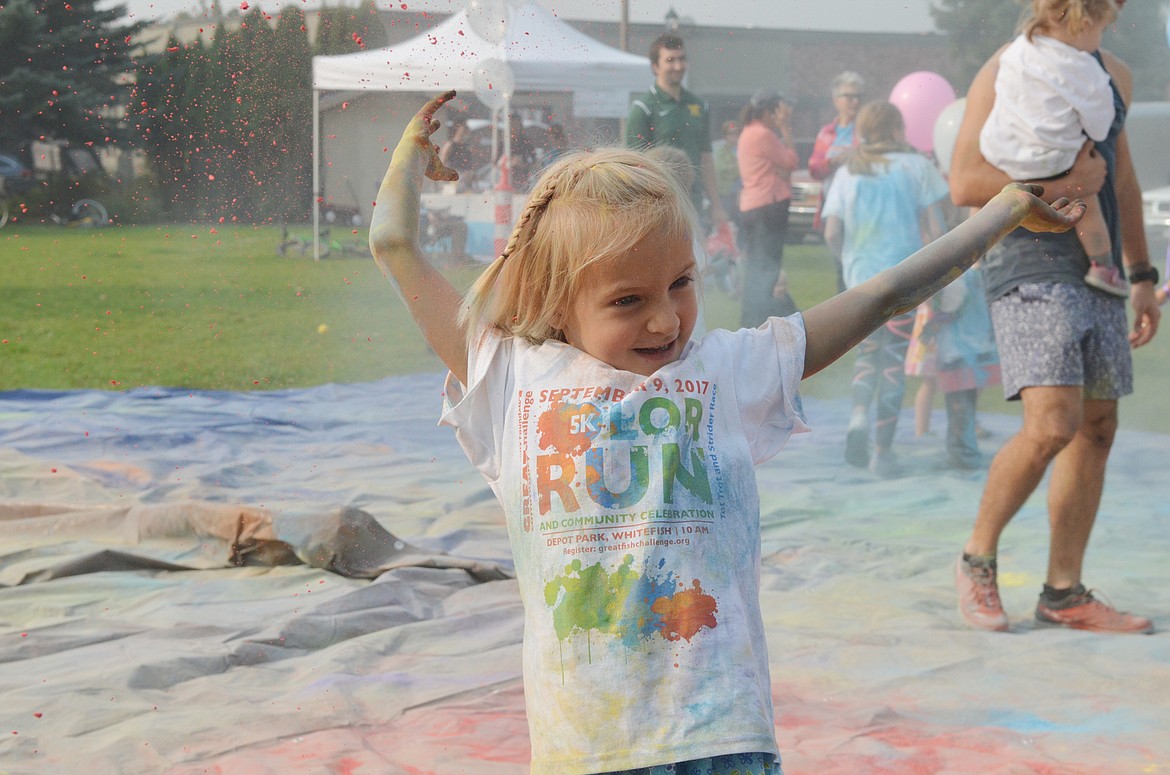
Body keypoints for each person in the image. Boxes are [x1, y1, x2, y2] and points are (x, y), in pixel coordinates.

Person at [369, 90, 1084, 775]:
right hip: (585, 750)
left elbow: (881, 294)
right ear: (558, 302)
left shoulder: (722, 374)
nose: (666, 319)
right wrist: (410, 153)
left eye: (681, 282)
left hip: (722, 737)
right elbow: (394, 243)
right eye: (628, 299)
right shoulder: (512, 383)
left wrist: (1002, 212)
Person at [949, 0, 1161, 634]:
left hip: (1100, 267)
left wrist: (1143, 274)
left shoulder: (1115, 74)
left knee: (1096, 425)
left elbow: (1121, 179)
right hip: (1029, 256)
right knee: (1052, 423)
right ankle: (976, 559)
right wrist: (1063, 180)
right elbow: (965, 180)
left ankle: (1063, 592)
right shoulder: (1006, 67)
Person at [821, 101, 952, 478]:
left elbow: (832, 230)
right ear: (897, 130)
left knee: (867, 354)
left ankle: (858, 417)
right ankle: (882, 451)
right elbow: (937, 230)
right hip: (903, 279)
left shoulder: (849, 172)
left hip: (860, 282)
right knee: (892, 361)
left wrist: (847, 260)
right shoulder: (917, 168)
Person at [979, 0, 1127, 297]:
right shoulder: (1085, 68)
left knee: (993, 197)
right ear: (1085, 25)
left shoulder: (1018, 49)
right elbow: (1100, 126)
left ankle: (975, 233)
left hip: (1002, 149)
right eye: (1102, 28)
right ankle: (1103, 266)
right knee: (1087, 200)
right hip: (1051, 161)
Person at [626, 33, 728, 226]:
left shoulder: (698, 105)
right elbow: (633, 167)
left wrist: (717, 206)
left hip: (694, 203)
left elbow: (706, 157)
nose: (678, 66)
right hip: (658, 207)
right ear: (655, 66)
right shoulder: (643, 108)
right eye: (670, 60)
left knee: (695, 255)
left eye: (682, 59)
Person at [736, 90, 800, 327]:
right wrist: (785, 129)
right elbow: (791, 161)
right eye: (777, 112)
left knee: (758, 267)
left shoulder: (749, 133)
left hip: (754, 206)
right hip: (768, 206)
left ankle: (754, 321)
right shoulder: (764, 134)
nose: (779, 117)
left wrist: (781, 170)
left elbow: (784, 168)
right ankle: (756, 321)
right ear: (767, 112)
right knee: (767, 269)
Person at [808, 71, 866, 291]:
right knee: (841, 269)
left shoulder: (866, 130)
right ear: (836, 100)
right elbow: (814, 169)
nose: (855, 101)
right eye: (849, 96)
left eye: (860, 96)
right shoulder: (826, 133)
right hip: (834, 208)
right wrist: (834, 162)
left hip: (861, 208)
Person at [712, 120, 742, 224]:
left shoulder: (743, 148)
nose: (734, 135)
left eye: (736, 132)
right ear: (725, 136)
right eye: (731, 133)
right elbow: (722, 168)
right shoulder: (721, 150)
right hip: (726, 193)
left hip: (742, 194)